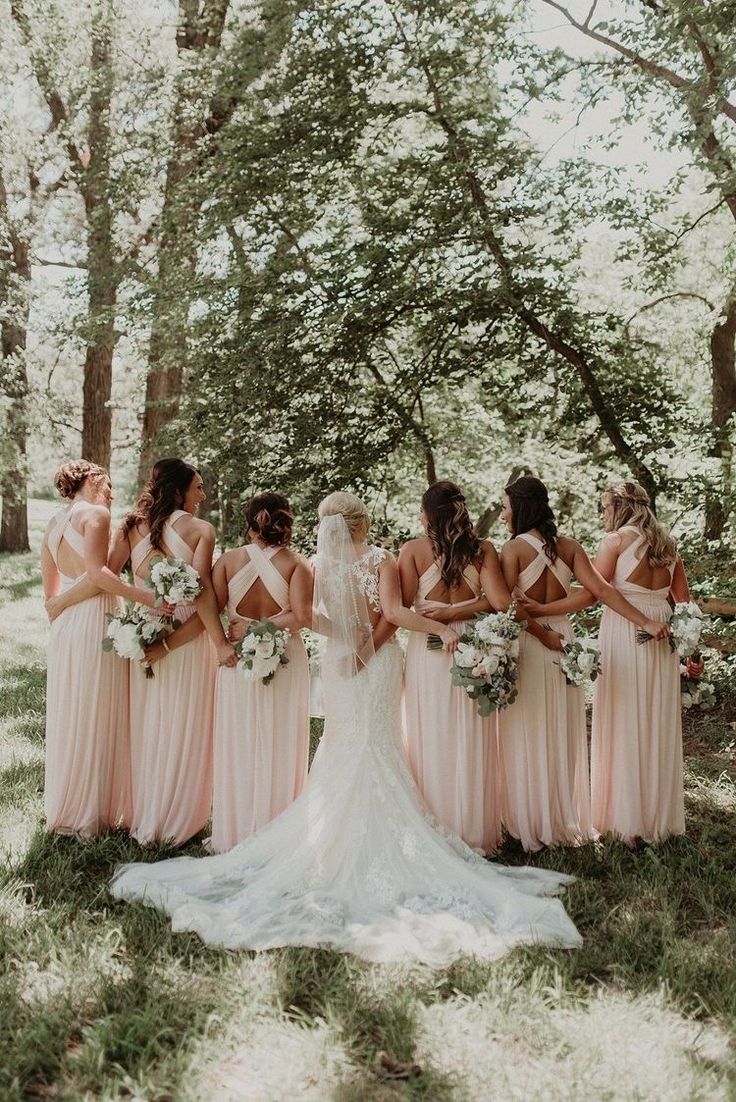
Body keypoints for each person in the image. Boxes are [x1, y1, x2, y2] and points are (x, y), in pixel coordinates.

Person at [111, 491, 582, 966]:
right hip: (372, 664)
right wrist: (385, 643)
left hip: (342, 664)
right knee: (377, 742)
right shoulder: (380, 557)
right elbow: (393, 617)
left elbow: (312, 617)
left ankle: (331, 839)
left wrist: (345, 643)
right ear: (362, 522)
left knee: (348, 742)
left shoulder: (317, 563)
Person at [501, 476, 669, 851]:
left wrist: (540, 630)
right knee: (562, 728)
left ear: (521, 508)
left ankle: (530, 824)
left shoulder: (511, 551)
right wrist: (643, 620)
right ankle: (561, 819)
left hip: (533, 641)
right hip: (566, 643)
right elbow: (601, 592)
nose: (502, 515)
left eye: (506, 507)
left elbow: (508, 606)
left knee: (527, 729)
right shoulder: (570, 546)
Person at [108, 458, 230, 845]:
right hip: (184, 639)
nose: (203, 494)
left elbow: (108, 575)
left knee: (149, 723)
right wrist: (220, 642)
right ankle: (177, 820)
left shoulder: (130, 527)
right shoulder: (201, 530)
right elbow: (204, 594)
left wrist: (139, 609)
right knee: (185, 722)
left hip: (141, 636)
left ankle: (147, 812)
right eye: (198, 487)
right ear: (179, 490)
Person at [399, 480, 512, 853]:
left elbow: (398, 609)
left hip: (429, 645)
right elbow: (498, 601)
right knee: (470, 731)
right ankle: (471, 827)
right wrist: (458, 612)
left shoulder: (413, 551)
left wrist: (443, 615)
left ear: (429, 514)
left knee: (430, 733)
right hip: (472, 645)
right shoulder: (482, 550)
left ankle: (433, 830)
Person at [41, 461, 151, 835]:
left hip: (66, 624)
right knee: (98, 705)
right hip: (95, 617)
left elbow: (51, 592)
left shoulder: (54, 523)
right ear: (90, 478)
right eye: (108, 484)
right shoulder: (96, 514)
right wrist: (143, 596)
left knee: (72, 706)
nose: (112, 493)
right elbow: (98, 575)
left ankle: (67, 805)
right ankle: (91, 811)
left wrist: (58, 606)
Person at [207, 492, 312, 853]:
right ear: (286, 522)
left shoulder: (227, 561)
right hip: (283, 655)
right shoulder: (297, 564)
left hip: (235, 657)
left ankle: (235, 829)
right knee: (281, 738)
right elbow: (300, 617)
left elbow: (210, 605)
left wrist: (224, 640)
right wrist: (261, 629)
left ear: (250, 524)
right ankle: (279, 830)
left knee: (239, 739)